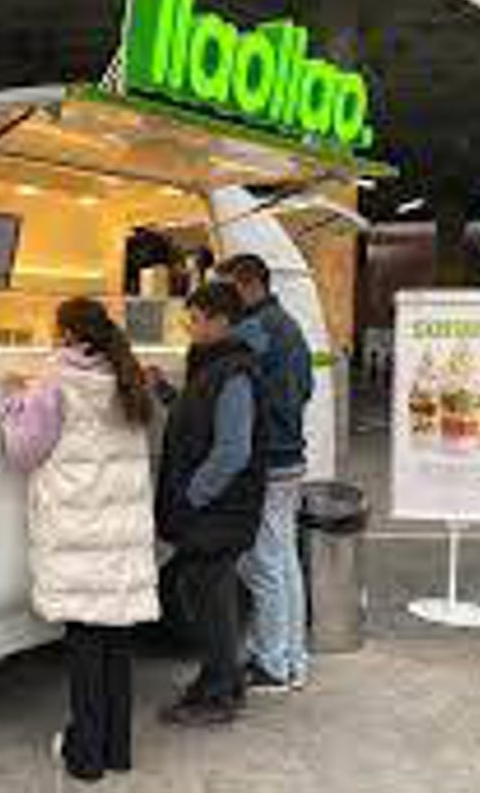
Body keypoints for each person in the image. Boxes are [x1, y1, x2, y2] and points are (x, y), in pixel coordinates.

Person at [0, 297, 159, 784]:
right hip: (121, 536)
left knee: (86, 647)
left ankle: (85, 756)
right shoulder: (126, 377)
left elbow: (22, 453)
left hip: (77, 534)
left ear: (68, 334)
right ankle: (117, 750)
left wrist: (13, 401)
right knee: (116, 643)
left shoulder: (55, 383)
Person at [155, 282, 266, 726]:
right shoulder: (213, 367)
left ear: (221, 321)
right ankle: (220, 681)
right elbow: (198, 416)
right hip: (213, 511)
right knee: (203, 594)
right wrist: (165, 392)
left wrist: (191, 497)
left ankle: (219, 696)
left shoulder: (235, 372)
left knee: (211, 601)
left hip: (220, 510)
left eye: (195, 319)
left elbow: (232, 451)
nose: (189, 328)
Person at [217, 253, 314, 691]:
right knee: (285, 560)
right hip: (291, 454)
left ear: (247, 284)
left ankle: (272, 663)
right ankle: (292, 656)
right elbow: (307, 388)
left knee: (263, 564)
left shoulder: (253, 330)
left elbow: (234, 392)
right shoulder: (289, 325)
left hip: (269, 459)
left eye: (226, 289)